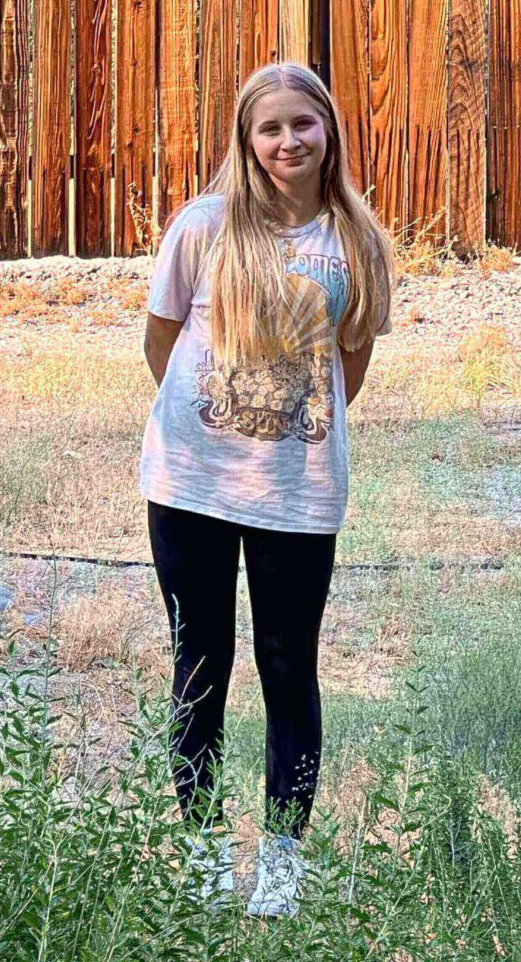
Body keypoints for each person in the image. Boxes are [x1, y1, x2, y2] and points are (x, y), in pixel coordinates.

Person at [139, 61, 394, 918]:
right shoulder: (204, 227)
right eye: (270, 128)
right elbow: (162, 343)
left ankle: (281, 862)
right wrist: (217, 429)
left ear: (329, 131)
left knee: (289, 667)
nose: (289, 141)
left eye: (302, 124)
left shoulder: (356, 243)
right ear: (248, 141)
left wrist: (284, 432)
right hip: (190, 487)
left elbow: (348, 369)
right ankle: (204, 851)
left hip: (298, 493)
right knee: (199, 664)